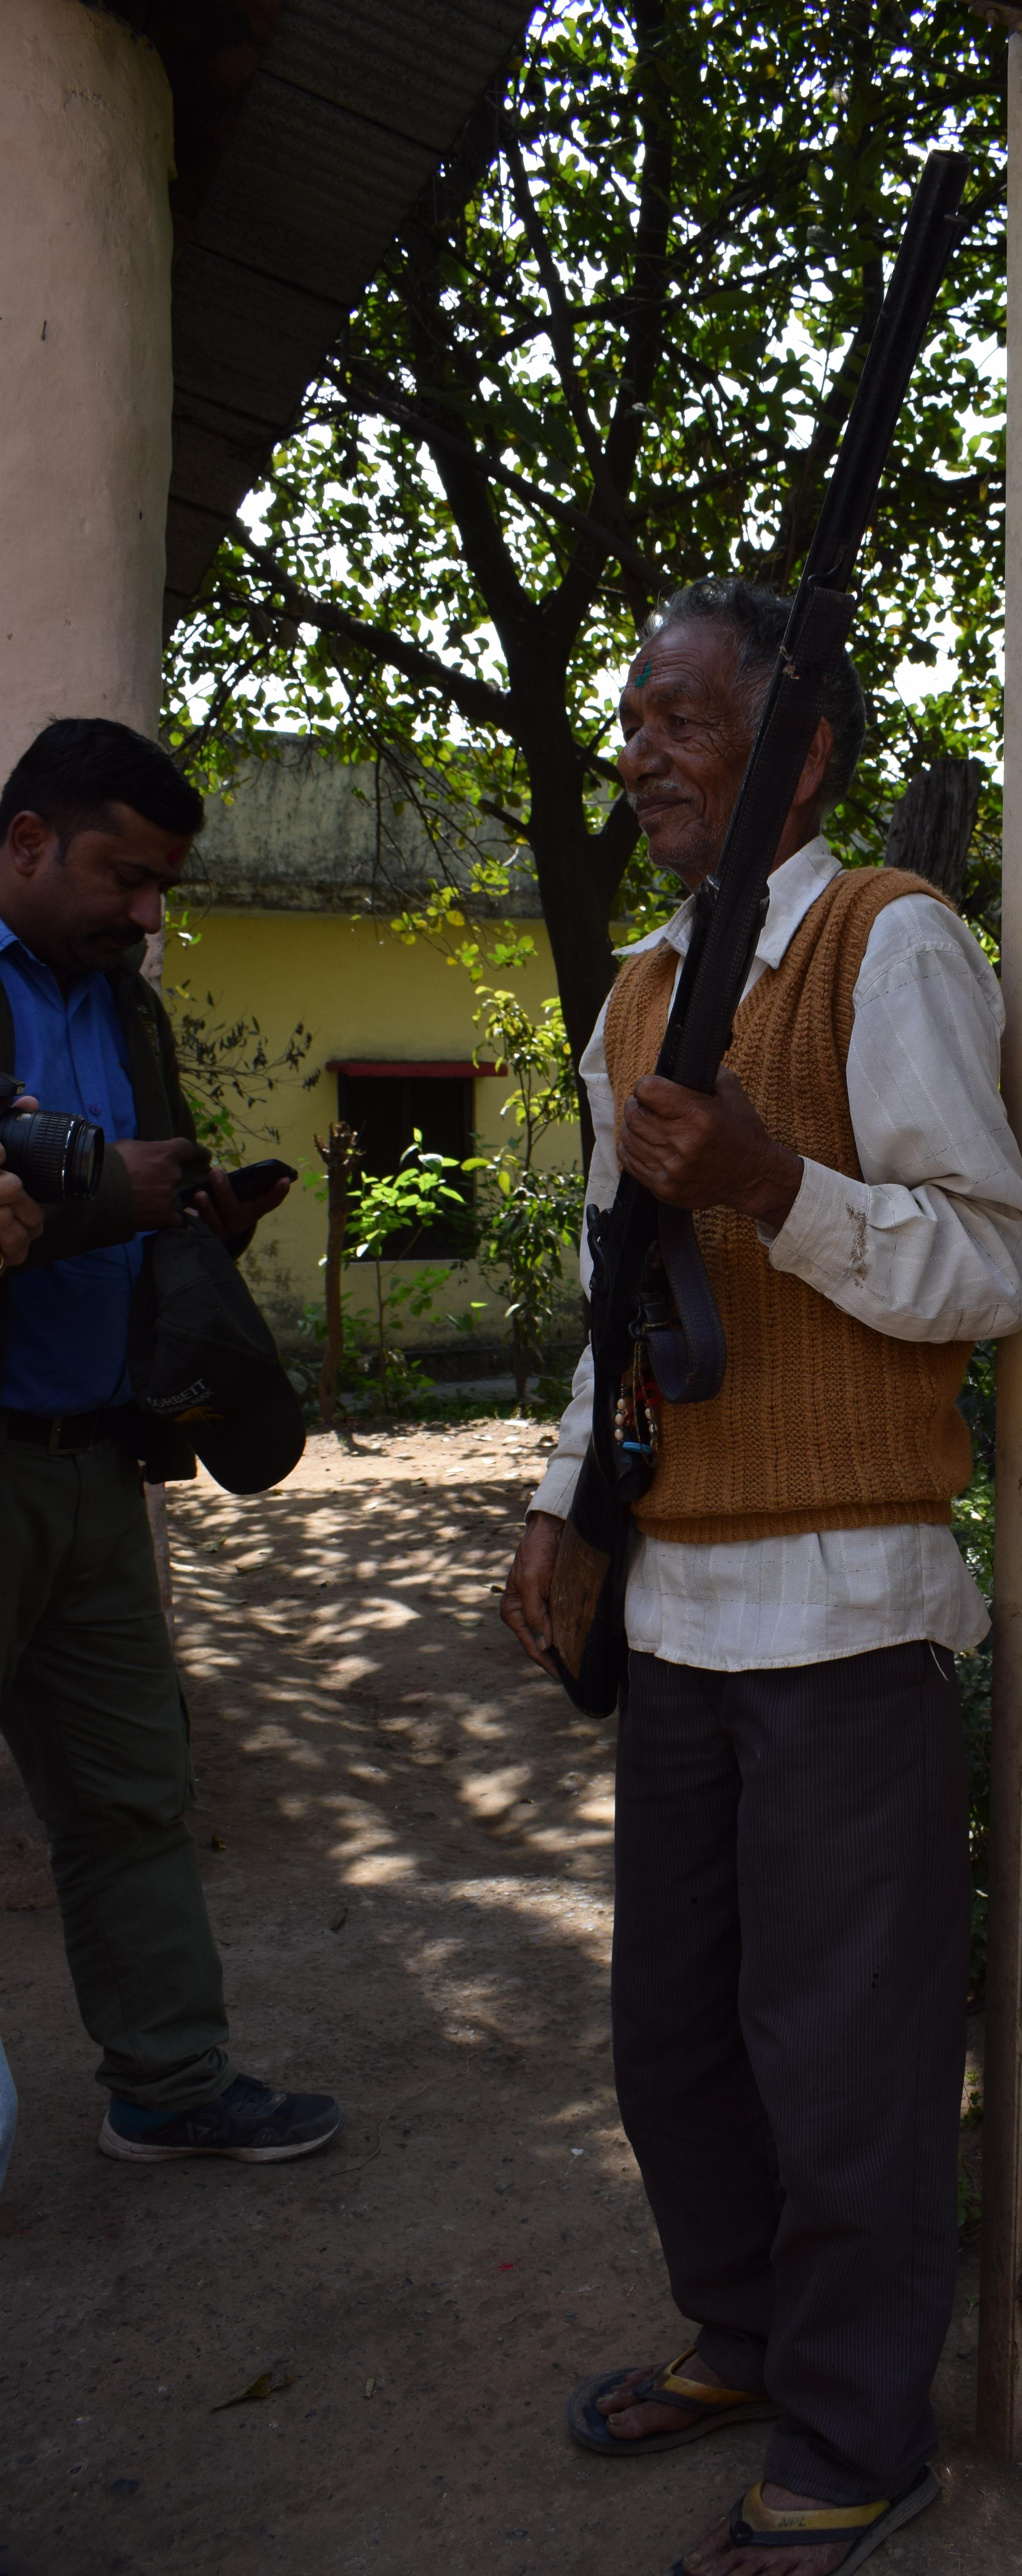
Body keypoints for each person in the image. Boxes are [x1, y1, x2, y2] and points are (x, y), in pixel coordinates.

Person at [500, 579, 1022, 2576]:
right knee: (676, 2031)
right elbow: (609, 1297)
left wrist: (768, 1185)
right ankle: (742, 2333)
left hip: (848, 1611)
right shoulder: (639, 988)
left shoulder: (885, 941)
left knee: (846, 2053)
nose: (640, 746)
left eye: (687, 716)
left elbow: (996, 1264)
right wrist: (564, 1504)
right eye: (630, 714)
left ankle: (851, 2427)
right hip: (680, 1609)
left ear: (796, 749)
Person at [0, 717, 343, 2164]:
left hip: (90, 1459)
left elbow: (138, 1181)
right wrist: (104, 1203)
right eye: (126, 879)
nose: (150, 916)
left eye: (163, 889)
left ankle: (170, 2083)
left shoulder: (125, 1006)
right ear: (26, 844)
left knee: (136, 1792)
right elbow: (75, 1200)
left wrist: (191, 1213)